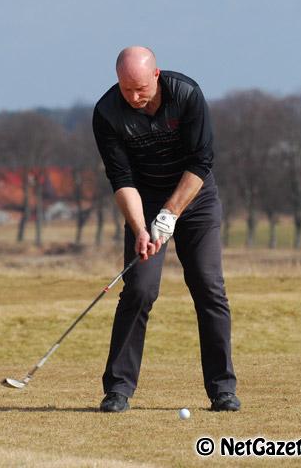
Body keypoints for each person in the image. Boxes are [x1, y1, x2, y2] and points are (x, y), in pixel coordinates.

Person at [92, 46, 239, 413]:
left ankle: (222, 389)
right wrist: (141, 228)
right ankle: (118, 389)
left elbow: (202, 161)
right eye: (127, 89)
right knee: (140, 289)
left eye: (141, 88)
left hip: (195, 199)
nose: (135, 97)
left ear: (156, 75)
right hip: (143, 201)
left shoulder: (186, 94)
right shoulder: (107, 112)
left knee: (208, 286)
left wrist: (171, 213)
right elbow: (120, 177)